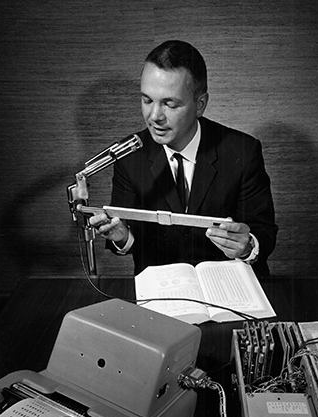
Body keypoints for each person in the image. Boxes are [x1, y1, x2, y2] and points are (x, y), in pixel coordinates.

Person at [89, 40, 278, 278]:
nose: (154, 116)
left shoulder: (243, 151)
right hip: (163, 289)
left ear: (200, 105)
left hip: (229, 286)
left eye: (169, 104)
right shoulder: (129, 155)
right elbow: (131, 239)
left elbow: (264, 233)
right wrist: (123, 237)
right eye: (147, 100)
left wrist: (247, 245)